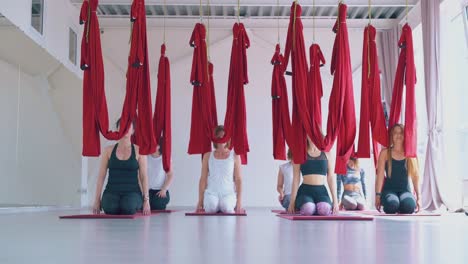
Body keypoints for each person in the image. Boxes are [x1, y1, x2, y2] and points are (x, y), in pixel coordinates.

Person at [92, 118, 150, 215]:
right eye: (122, 127)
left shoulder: (139, 151)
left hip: (132, 192)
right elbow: (101, 176)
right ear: (118, 129)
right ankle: (115, 204)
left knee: (128, 206)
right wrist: (97, 200)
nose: (125, 129)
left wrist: (146, 200)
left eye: (128, 127)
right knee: (109, 207)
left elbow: (144, 177)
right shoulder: (108, 150)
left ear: (133, 131)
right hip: (112, 191)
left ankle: (129, 204)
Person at [375, 124, 421, 214]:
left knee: (409, 207)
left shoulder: (410, 153)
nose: (398, 135)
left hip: (405, 191)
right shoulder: (385, 153)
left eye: (401, 133)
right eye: (395, 133)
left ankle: (401, 204)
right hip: (389, 191)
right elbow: (380, 176)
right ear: (392, 136)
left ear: (405, 136)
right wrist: (377, 195)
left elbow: (415, 177)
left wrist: (419, 198)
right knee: (392, 205)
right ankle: (396, 204)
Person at [196, 126, 243, 213]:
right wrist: (200, 200)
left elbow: (238, 179)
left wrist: (239, 201)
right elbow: (203, 178)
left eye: (223, 136)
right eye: (219, 137)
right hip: (212, 192)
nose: (221, 139)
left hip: (228, 193)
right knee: (211, 206)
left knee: (226, 207)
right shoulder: (207, 155)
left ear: (227, 138)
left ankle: (225, 204)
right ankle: (213, 204)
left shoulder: (235, 155)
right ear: (215, 139)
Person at [288, 138, 339, 215]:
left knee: (324, 210)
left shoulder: (327, 153)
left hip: (321, 191)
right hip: (305, 191)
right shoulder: (299, 153)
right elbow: (296, 179)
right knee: (308, 209)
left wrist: (335, 201)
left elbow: (331, 178)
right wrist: (292, 202)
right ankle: (310, 207)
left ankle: (316, 207)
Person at [147, 138, 173, 210]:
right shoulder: (145, 157)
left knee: (157, 205)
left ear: (159, 146)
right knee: (142, 205)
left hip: (160, 190)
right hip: (147, 190)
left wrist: (164, 189)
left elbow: (170, 175)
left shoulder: (165, 158)